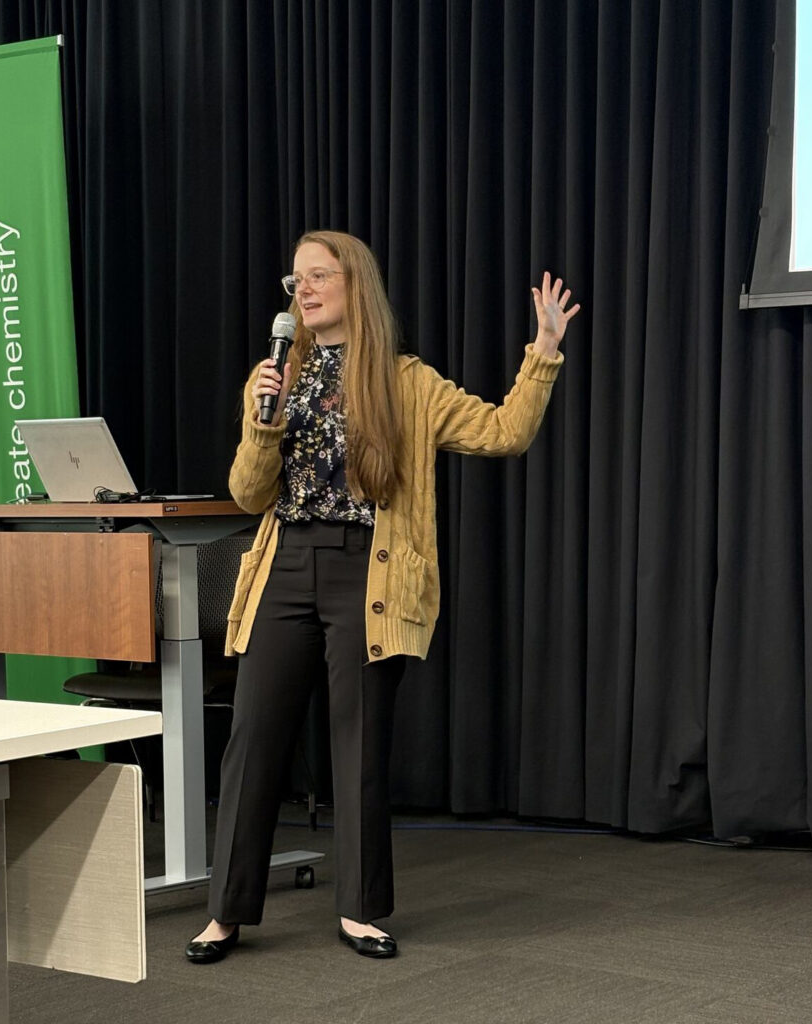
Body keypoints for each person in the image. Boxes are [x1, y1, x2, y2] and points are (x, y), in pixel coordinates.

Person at [185, 230, 579, 963]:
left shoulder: (406, 382)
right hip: (284, 565)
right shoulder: (274, 374)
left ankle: (360, 910)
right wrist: (265, 422)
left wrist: (543, 352)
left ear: (353, 284)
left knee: (358, 747)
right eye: (293, 280)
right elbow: (246, 493)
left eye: (316, 276)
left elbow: (502, 433)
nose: (301, 290)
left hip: (368, 572)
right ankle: (225, 912)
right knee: (253, 739)